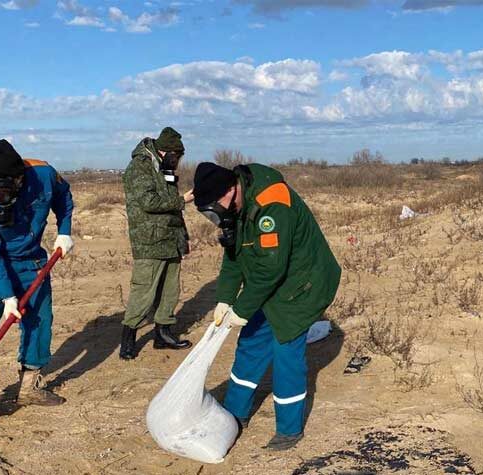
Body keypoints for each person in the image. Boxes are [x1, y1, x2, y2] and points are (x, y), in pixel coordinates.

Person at [192, 161, 341, 450]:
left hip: (304, 283)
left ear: (231, 190)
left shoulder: (272, 203)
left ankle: (288, 429)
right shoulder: (234, 207)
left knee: (285, 349)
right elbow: (234, 258)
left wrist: (242, 309)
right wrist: (225, 298)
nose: (215, 216)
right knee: (250, 343)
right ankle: (235, 413)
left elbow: (269, 270)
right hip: (273, 281)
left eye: (214, 207)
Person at [0, 139, 74, 426]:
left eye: (6, 190)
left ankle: (29, 387)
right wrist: (8, 297)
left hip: (32, 262)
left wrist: (64, 230)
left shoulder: (43, 174)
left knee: (38, 322)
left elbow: (64, 196)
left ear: (20, 179)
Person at [119, 127, 195, 360]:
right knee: (144, 290)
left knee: (170, 290)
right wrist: (183, 200)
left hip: (170, 238)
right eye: (176, 156)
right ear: (165, 151)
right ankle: (128, 338)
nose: (178, 161)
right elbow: (149, 201)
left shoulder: (163, 167)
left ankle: (163, 334)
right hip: (150, 239)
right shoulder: (140, 167)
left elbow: (166, 200)